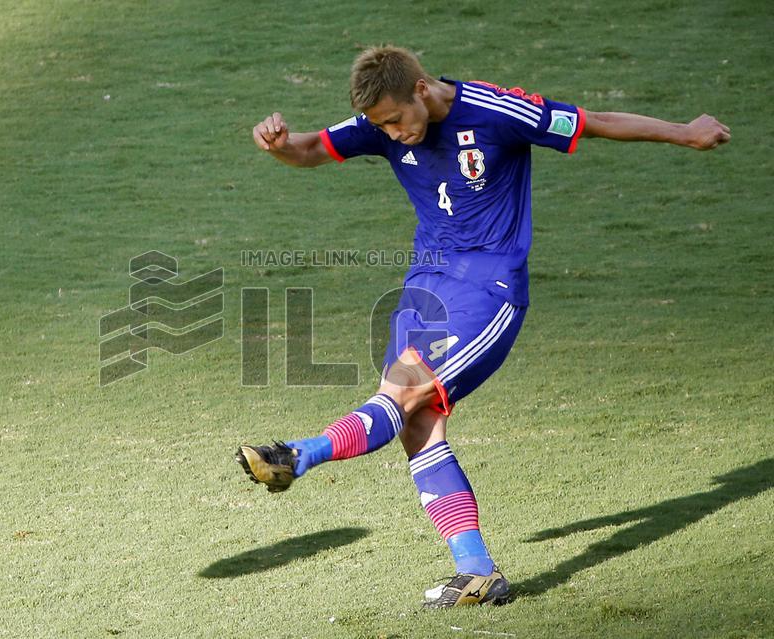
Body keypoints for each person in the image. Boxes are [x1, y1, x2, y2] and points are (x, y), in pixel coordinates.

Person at [235, 45, 730, 608]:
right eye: (382, 126)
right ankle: (477, 572)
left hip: (486, 291)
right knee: (417, 427)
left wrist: (685, 132)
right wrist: (277, 145)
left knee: (403, 393)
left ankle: (298, 455)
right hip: (425, 290)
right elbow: (308, 150)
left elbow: (595, 123)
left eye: (397, 119)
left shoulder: (497, 110)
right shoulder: (382, 123)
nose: (393, 133)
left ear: (421, 89)